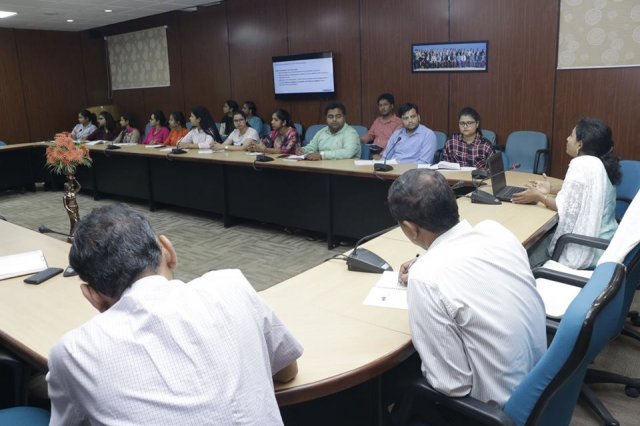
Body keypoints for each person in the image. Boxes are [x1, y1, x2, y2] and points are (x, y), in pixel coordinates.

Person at [46, 204, 303, 425]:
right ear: (168, 251)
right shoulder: (231, 285)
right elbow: (286, 370)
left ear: (92, 296)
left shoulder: (72, 352)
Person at [389, 169, 546, 406]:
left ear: (410, 228)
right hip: (538, 384)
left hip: (495, 411)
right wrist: (426, 262)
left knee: (397, 386)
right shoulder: (496, 231)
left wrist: (425, 269)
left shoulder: (426, 277)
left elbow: (452, 384)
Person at [512, 117, 620, 269]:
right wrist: (550, 189)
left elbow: (567, 208)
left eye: (571, 135)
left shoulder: (582, 165)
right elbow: (580, 192)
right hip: (607, 241)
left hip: (589, 248)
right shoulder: (598, 163)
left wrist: (539, 196)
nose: (567, 139)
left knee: (521, 254)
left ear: (580, 144)